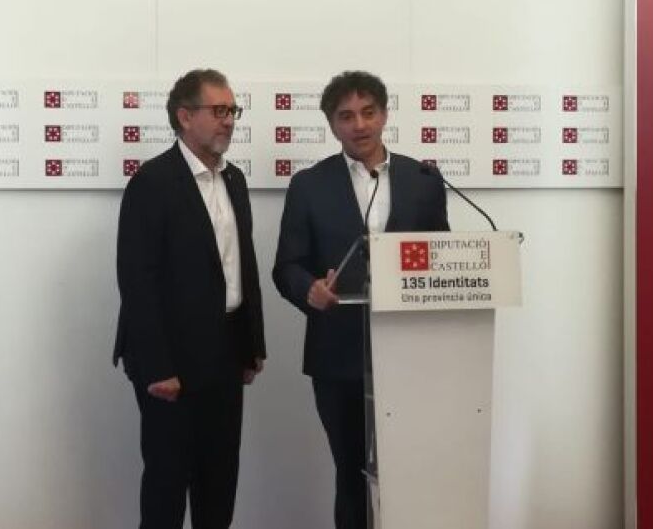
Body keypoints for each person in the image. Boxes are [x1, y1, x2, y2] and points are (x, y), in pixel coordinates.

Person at [272, 71, 449, 529]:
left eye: (368, 113)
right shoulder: (309, 184)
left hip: (410, 352)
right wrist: (309, 290)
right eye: (346, 116)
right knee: (351, 474)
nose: (360, 125)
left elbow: (441, 258)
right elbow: (286, 266)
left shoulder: (423, 179)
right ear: (332, 124)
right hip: (338, 353)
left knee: (409, 470)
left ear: (384, 115)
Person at [114, 68, 266, 529]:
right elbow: (137, 281)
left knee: (219, 478)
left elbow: (243, 266)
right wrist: (158, 366)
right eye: (218, 110)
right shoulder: (153, 182)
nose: (229, 120)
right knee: (167, 480)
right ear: (184, 116)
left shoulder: (234, 180)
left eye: (232, 110)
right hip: (171, 358)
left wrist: (251, 345)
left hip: (226, 351)